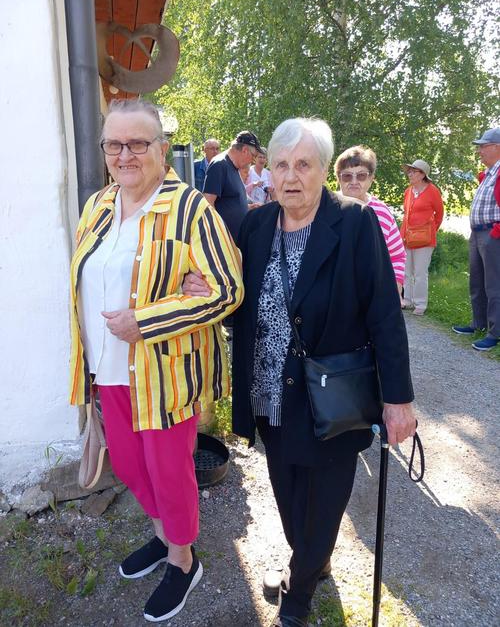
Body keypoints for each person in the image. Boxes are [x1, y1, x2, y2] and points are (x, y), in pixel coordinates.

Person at [186, 117, 416, 627]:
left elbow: (384, 312)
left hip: (331, 396)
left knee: (325, 500)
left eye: (304, 165)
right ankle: (313, 559)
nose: (291, 176)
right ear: (268, 170)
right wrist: (212, 293)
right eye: (282, 165)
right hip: (269, 392)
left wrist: (398, 399)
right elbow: (243, 303)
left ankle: (299, 591)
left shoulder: (354, 223)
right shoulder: (256, 225)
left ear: (323, 171)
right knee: (288, 495)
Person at [69, 99, 243, 623]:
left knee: (169, 474)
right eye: (114, 144)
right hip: (107, 370)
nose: (125, 154)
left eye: (138, 143)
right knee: (128, 466)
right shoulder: (98, 205)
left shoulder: (190, 210)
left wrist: (146, 320)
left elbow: (227, 288)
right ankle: (165, 536)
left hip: (164, 375)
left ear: (162, 149)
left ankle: (184, 561)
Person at [335, 145, 406, 300]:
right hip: (332, 294)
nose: (354, 181)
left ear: (371, 178)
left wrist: (394, 291)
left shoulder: (382, 212)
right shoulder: (326, 208)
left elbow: (397, 256)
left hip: (371, 293)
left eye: (361, 176)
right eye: (347, 176)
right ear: (338, 178)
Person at [452, 127, 500, 351]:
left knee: (494, 285)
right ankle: (479, 323)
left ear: (497, 147)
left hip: (493, 235)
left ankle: (495, 332)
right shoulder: (489, 173)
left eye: (483, 146)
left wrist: (496, 232)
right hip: (478, 233)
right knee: (477, 282)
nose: (479, 151)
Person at [400, 159, 444, 315]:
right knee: (406, 271)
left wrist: (430, 231)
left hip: (425, 240)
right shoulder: (408, 191)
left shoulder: (433, 191)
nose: (409, 174)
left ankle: (420, 304)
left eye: (413, 171)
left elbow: (439, 214)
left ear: (422, 174)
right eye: (409, 171)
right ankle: (407, 300)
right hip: (407, 237)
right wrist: (402, 235)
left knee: (420, 273)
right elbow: (406, 215)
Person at [202, 130, 265, 240]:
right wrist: (222, 237)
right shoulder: (219, 165)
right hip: (225, 242)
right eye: (254, 156)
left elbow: (227, 202)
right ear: (245, 150)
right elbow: (207, 204)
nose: (253, 161)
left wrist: (247, 207)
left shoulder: (234, 167)